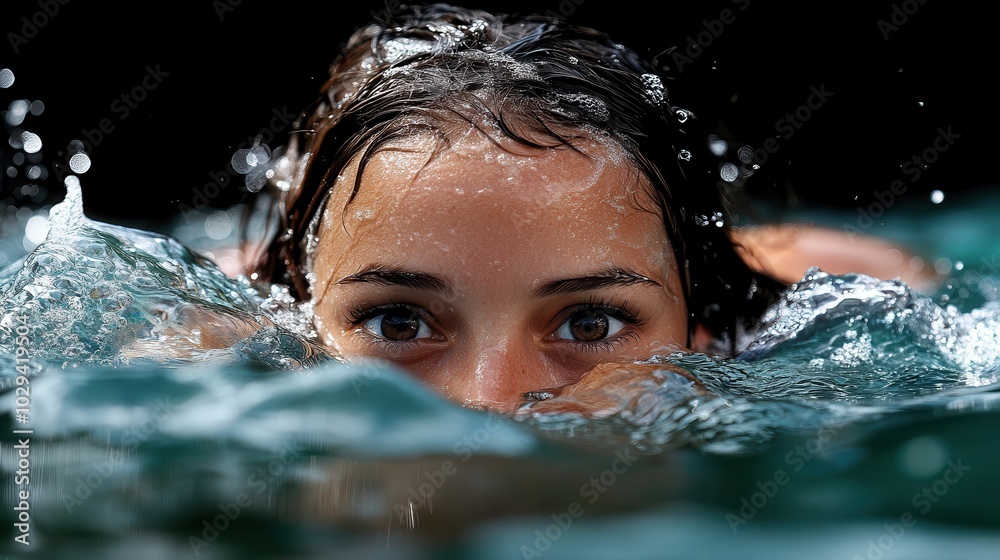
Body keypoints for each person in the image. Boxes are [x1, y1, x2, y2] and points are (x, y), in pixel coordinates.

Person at [244, 3, 936, 414]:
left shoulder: (810, 324)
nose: (493, 404)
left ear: (696, 322)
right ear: (302, 307)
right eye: (398, 321)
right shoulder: (223, 336)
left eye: (588, 321)